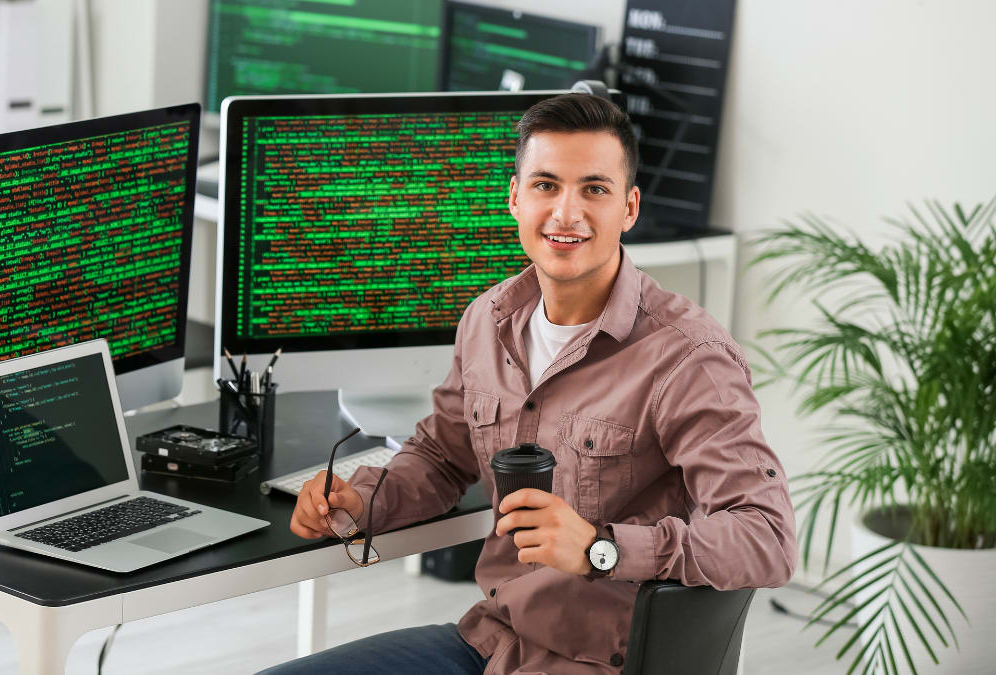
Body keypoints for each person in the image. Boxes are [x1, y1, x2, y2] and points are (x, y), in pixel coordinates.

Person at [262, 93, 796, 675]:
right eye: (546, 185)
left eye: (594, 189)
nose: (566, 214)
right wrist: (358, 499)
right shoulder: (487, 322)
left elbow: (767, 538)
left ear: (630, 207)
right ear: (515, 198)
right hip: (493, 644)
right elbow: (441, 459)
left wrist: (600, 546)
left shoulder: (689, 359)